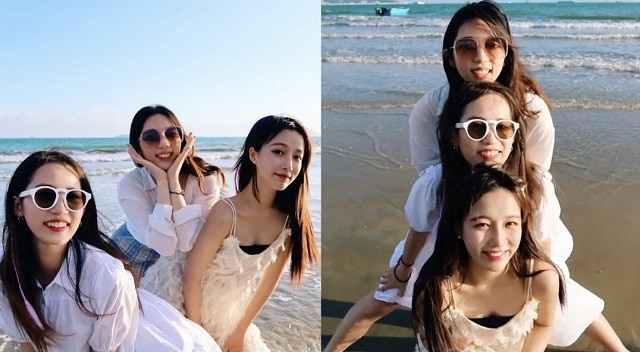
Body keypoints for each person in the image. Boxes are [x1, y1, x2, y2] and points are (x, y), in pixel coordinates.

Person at [326, 82, 627, 352]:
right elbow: (419, 227)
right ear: (456, 137)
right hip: (441, 250)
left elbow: (539, 243)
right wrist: (403, 270)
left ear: (514, 134)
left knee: (565, 300)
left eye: (503, 129)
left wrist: (532, 281)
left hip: (514, 256)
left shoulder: (533, 184)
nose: (490, 139)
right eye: (476, 128)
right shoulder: (438, 181)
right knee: (387, 298)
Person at [0, 150, 221, 352]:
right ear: (18, 205)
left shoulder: (106, 276)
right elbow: (29, 346)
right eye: (45, 196)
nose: (60, 209)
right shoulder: (7, 278)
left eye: (73, 197)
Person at [181, 115, 320, 352]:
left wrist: (240, 330)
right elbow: (190, 277)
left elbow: (268, 282)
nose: (289, 164)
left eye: (297, 156)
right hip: (185, 306)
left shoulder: (290, 220)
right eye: (278, 152)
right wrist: (198, 336)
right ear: (254, 155)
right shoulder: (226, 212)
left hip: (229, 316)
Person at [413, 164, 565, 352]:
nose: (498, 241)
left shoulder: (541, 280)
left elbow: (543, 325)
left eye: (510, 223)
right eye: (482, 225)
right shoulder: (437, 291)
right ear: (458, 227)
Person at [110, 105, 225, 279]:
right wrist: (163, 182)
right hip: (133, 250)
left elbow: (187, 243)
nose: (164, 143)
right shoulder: (130, 184)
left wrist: (172, 180)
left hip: (191, 254)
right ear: (137, 148)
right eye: (151, 137)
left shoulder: (206, 178)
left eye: (172, 134)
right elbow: (164, 247)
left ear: (183, 139)